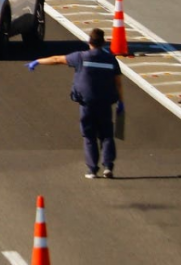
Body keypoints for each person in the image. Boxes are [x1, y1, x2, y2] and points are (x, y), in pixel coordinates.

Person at [26, 28, 125, 179]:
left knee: (89, 135)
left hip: (87, 103)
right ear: (103, 43)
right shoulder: (111, 59)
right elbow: (118, 83)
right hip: (105, 102)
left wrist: (37, 61)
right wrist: (121, 102)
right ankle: (108, 167)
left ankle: (92, 169)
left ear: (89, 42)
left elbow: (57, 59)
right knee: (106, 135)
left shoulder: (80, 57)